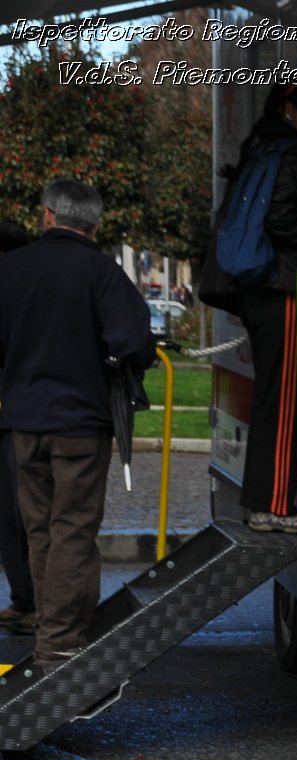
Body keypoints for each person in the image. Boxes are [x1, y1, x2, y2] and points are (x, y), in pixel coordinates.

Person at [0, 181, 154, 669]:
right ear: (95, 223)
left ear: (47, 217)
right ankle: (61, 643)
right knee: (72, 530)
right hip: (81, 424)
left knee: (40, 531)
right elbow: (133, 343)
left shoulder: (12, 268)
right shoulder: (101, 271)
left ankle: (51, 626)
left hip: (23, 421)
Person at [203, 79, 297, 533]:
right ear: (291, 109)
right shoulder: (292, 152)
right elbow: (282, 217)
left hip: (260, 291)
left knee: (275, 398)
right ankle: (273, 505)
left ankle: (266, 499)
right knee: (286, 401)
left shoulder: (263, 144)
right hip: (281, 288)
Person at [0, 220, 37, 636]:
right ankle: (22, 599)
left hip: (17, 414)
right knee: (8, 519)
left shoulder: (17, 291)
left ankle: (31, 601)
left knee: (21, 512)